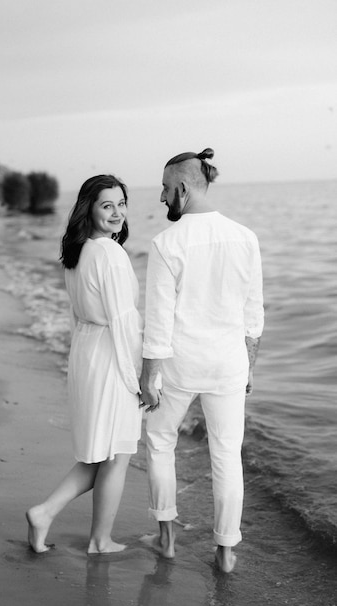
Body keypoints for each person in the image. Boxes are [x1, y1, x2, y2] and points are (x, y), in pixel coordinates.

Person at [139, 149, 264, 572]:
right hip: (229, 362)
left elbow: (157, 319)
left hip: (180, 363)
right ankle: (226, 551)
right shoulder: (245, 237)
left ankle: (168, 539)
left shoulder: (166, 242)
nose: (161, 197)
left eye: (164, 188)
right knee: (228, 456)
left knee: (159, 442)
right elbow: (254, 314)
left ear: (183, 187)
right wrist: (250, 366)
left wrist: (147, 378)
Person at [26, 174, 143, 554]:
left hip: (87, 351)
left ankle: (45, 512)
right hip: (110, 355)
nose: (117, 213)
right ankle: (100, 540)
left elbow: (79, 317)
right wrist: (138, 378)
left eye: (121, 204)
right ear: (89, 210)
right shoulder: (110, 254)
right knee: (115, 455)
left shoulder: (78, 253)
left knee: (100, 454)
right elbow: (124, 321)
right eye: (107, 205)